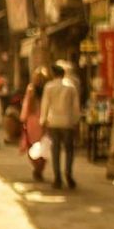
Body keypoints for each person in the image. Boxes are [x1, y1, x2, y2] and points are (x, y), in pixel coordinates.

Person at [40, 61, 81, 189]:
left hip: (53, 122)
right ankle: (68, 173)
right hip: (67, 122)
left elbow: (45, 104)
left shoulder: (49, 86)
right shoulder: (71, 87)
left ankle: (57, 177)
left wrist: (43, 120)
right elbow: (76, 107)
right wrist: (76, 121)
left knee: (55, 150)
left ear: (54, 74)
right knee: (69, 150)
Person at [20, 67, 49, 181]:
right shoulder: (47, 89)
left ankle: (37, 168)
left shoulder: (31, 89)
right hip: (44, 119)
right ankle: (40, 169)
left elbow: (27, 105)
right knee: (44, 146)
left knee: (31, 145)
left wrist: (23, 119)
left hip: (32, 120)